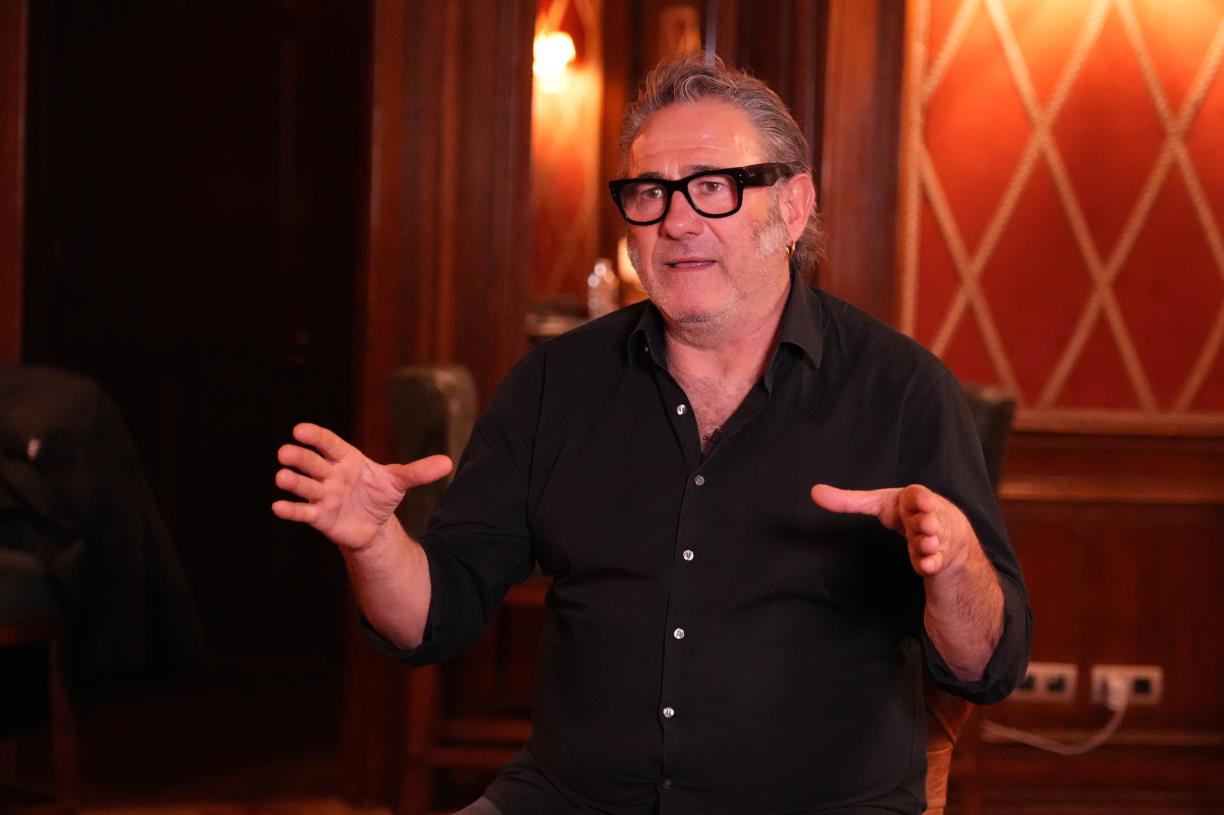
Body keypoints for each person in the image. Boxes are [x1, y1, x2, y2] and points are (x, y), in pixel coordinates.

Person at [273, 54, 1031, 815]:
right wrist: (374, 543)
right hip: (570, 799)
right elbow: (430, 621)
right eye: (649, 193)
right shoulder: (554, 384)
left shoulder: (900, 390)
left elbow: (985, 666)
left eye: (713, 186)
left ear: (794, 206)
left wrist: (956, 564)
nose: (676, 221)